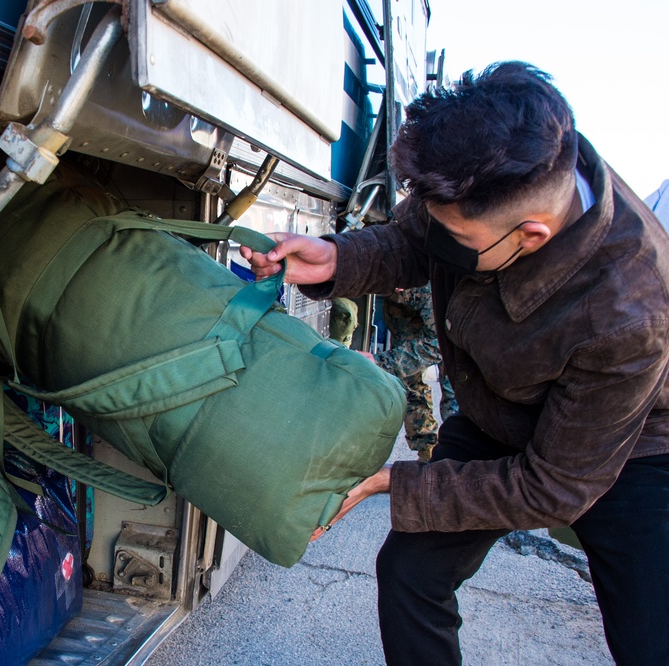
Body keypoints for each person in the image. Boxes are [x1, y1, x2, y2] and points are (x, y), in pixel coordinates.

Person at [241, 61, 669, 664]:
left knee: (651, 641)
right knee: (410, 573)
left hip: (630, 448)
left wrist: (397, 481)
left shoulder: (629, 313)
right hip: (502, 407)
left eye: (459, 241)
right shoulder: (501, 167)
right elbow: (420, 239)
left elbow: (552, 487)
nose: (441, 241)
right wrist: (336, 258)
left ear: (532, 235)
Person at [371, 284, 456, 460]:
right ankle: (427, 451)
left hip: (446, 314)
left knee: (455, 384)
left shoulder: (433, 291)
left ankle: (456, 454)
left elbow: (438, 346)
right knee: (407, 382)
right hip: (404, 315)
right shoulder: (387, 280)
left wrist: (382, 361)